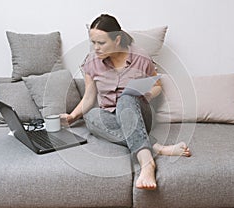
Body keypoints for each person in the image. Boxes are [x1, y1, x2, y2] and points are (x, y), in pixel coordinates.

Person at [60, 14, 191, 190]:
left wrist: (147, 95)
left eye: (101, 43)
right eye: (93, 43)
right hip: (109, 117)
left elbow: (157, 85)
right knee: (90, 116)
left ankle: (147, 163)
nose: (96, 48)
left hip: (138, 114)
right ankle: (157, 147)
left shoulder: (140, 57)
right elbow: (90, 96)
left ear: (117, 39)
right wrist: (72, 116)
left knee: (126, 97)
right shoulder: (91, 62)